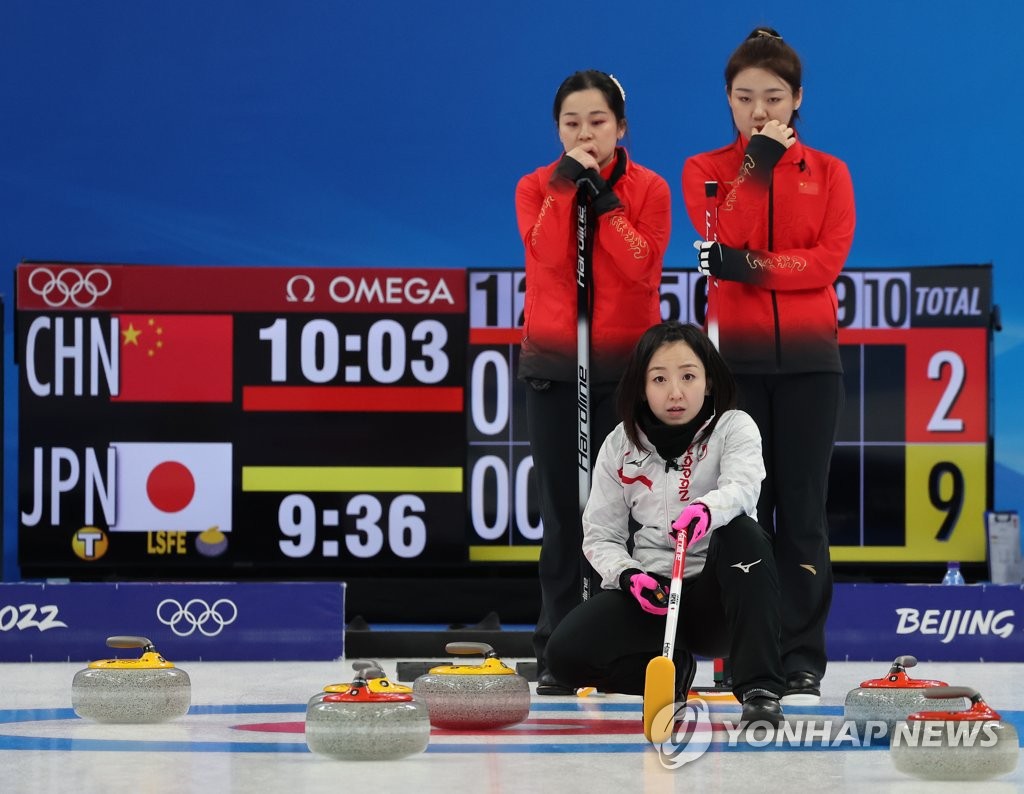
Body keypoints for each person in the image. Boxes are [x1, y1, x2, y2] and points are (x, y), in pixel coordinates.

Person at [682, 27, 855, 704]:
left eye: (774, 98)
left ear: (798, 99)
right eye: (745, 97)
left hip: (812, 364)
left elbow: (823, 267)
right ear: (727, 100)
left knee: (804, 514)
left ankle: (802, 657)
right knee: (740, 510)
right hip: (734, 367)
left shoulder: (832, 173)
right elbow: (725, 233)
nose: (760, 110)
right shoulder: (707, 169)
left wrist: (749, 270)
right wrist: (754, 163)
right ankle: (743, 653)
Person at [545, 320, 786, 724]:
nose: (675, 392)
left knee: (744, 531)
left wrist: (707, 511)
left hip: (719, 600)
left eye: (688, 376)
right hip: (655, 597)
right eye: (659, 379)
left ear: (708, 382)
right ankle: (669, 675)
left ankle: (760, 688)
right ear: (642, 387)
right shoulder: (620, 443)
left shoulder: (734, 427)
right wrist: (628, 576)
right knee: (565, 656)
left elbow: (744, 488)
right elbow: (600, 536)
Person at [515, 70, 671, 695]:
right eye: (571, 123)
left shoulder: (649, 188)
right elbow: (548, 256)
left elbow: (639, 269)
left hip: (630, 375)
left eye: (597, 122)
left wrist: (604, 202)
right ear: (558, 129)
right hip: (556, 368)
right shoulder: (536, 186)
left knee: (632, 515)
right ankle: (556, 647)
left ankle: (628, 648)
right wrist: (565, 189)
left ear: (621, 127)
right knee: (564, 514)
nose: (585, 133)